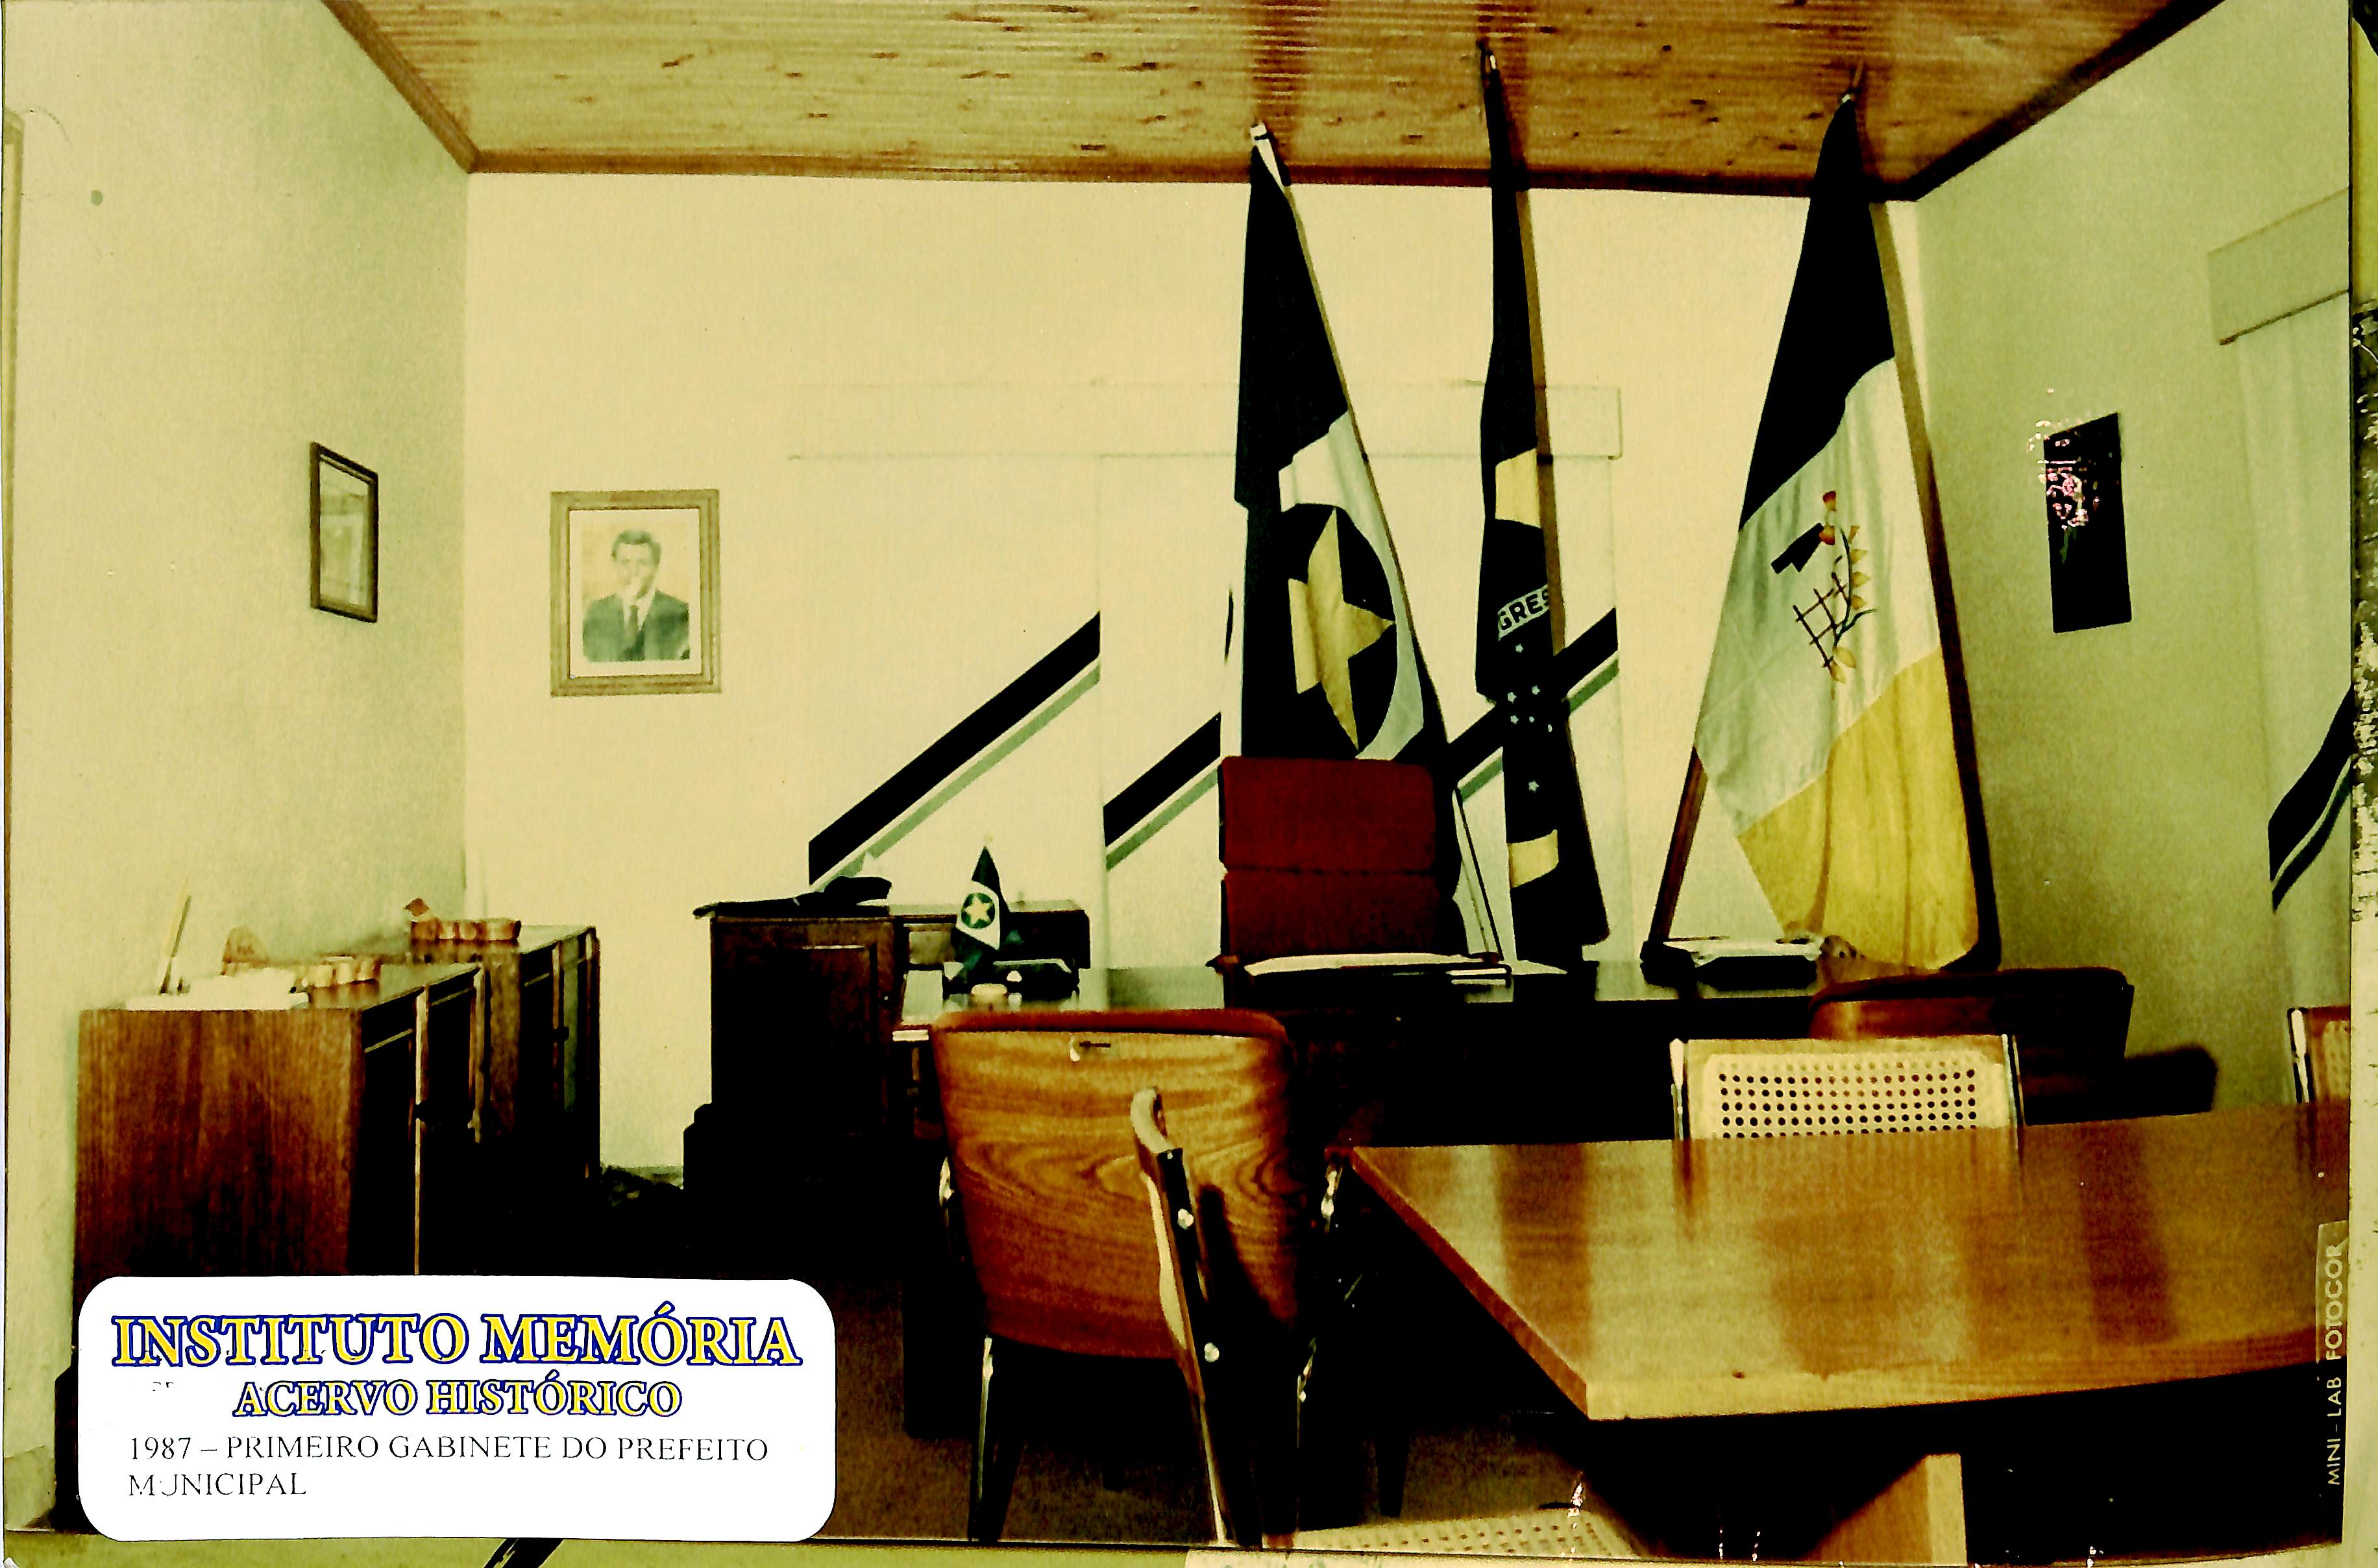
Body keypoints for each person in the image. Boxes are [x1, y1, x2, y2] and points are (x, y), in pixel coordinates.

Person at [581, 528, 690, 662]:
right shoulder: (596, 614)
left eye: (642, 563)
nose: (633, 571)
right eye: (625, 563)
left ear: (656, 566)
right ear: (615, 565)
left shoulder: (680, 615)